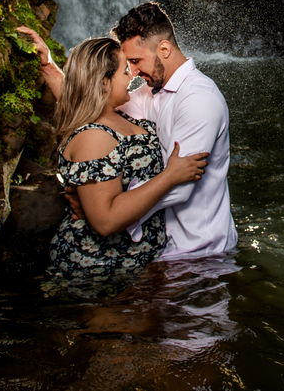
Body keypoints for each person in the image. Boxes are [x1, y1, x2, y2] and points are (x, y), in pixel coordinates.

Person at [17, 1, 239, 260]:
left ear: (164, 49)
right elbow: (92, 104)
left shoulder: (198, 100)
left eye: (135, 61)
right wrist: (48, 67)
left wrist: (98, 208)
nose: (132, 72)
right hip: (158, 247)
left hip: (199, 250)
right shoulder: (147, 90)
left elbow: (182, 186)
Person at [45, 36, 209, 290]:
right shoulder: (92, 136)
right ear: (103, 83)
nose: (132, 74)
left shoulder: (115, 116)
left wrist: (47, 66)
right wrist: (170, 176)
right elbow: (105, 222)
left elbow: (75, 100)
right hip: (101, 267)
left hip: (138, 264)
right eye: (124, 71)